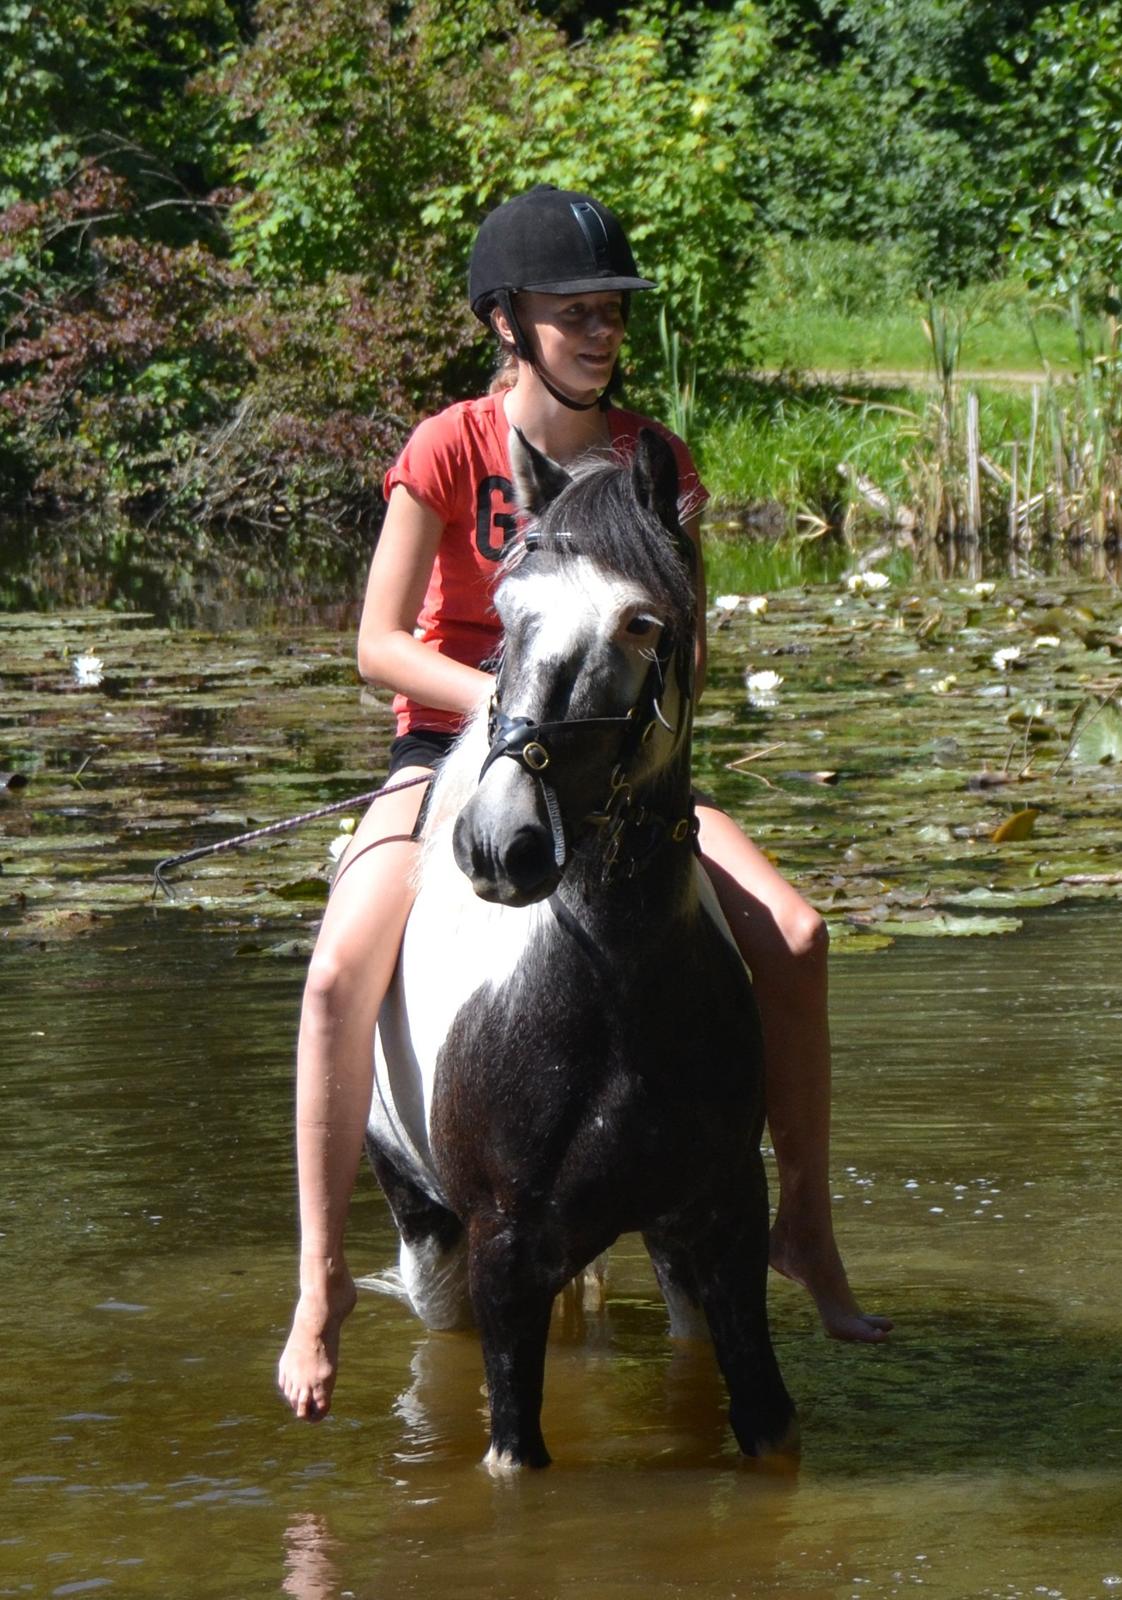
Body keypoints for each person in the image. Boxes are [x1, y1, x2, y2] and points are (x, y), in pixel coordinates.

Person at [277, 185, 892, 1423]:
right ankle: (321, 1279)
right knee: (341, 970)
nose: (601, 332)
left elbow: (692, 655)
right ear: (507, 322)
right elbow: (377, 645)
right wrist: (514, 717)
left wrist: (615, 730)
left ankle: (807, 1227)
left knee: (800, 931)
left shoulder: (657, 461)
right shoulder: (445, 448)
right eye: (575, 313)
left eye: (610, 312)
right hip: (455, 749)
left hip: (622, 762)